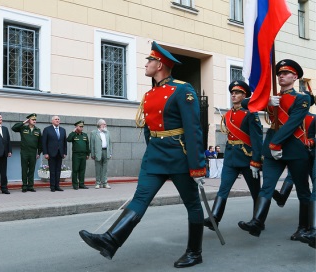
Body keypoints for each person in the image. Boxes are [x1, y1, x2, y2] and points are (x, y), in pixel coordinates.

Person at [79, 41, 206, 268]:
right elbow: (148, 129)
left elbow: (193, 129)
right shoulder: (150, 94)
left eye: (149, 60)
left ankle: (195, 252)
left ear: (160, 64)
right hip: (155, 156)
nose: (145, 64)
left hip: (179, 156)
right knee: (140, 198)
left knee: (192, 204)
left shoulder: (183, 89)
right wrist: (152, 150)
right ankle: (111, 240)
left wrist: (198, 166)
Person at [238, 59, 312, 239]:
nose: (281, 76)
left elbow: (292, 124)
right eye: (279, 74)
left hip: (293, 148)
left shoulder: (302, 98)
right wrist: (265, 101)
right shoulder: (271, 98)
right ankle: (257, 222)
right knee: (267, 187)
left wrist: (275, 144)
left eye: (286, 73)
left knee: (303, 190)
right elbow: (246, 103)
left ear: (295, 77)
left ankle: (304, 228)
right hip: (272, 150)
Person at [203, 80, 263, 232]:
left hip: (247, 158)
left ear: (245, 95)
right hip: (231, 158)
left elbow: (257, 139)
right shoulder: (228, 114)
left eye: (237, 93)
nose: (234, 95)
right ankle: (214, 218)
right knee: (223, 188)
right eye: (232, 93)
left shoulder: (251, 114)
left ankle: (258, 221)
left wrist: (256, 161)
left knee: (255, 191)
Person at [12, 113, 42, 192]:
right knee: (24, 169)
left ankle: (30, 186)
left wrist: (39, 153)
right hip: (24, 152)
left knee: (32, 169)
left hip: (33, 152)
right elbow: (13, 128)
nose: (34, 121)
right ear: (29, 120)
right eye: (33, 120)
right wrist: (23, 123)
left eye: (35, 120)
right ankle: (24, 186)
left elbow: (40, 143)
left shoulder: (37, 130)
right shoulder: (23, 128)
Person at [42, 116, 67, 192]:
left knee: (58, 170)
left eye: (58, 119)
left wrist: (65, 152)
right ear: (52, 121)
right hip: (51, 153)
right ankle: (52, 186)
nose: (57, 120)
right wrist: (45, 153)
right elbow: (44, 142)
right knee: (52, 171)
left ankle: (57, 186)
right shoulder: (47, 129)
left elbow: (64, 142)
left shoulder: (63, 130)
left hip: (60, 153)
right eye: (56, 119)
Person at [67, 120, 90, 190]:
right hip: (76, 155)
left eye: (82, 127)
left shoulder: (85, 135)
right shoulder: (74, 135)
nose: (81, 128)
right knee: (75, 170)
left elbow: (87, 145)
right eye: (80, 126)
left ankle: (82, 184)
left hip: (83, 155)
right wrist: (73, 132)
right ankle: (75, 185)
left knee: (82, 170)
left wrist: (87, 154)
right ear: (76, 127)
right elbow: (68, 139)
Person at [90, 119, 112, 189]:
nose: (105, 125)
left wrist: (110, 153)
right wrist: (92, 154)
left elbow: (110, 143)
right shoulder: (94, 133)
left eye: (105, 124)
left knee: (105, 168)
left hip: (106, 151)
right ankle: (97, 183)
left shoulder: (107, 132)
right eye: (104, 124)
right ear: (100, 125)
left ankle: (105, 183)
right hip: (98, 152)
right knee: (98, 168)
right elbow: (92, 144)